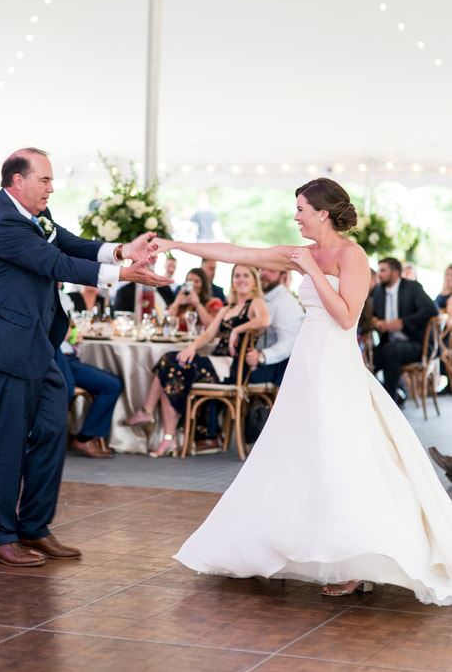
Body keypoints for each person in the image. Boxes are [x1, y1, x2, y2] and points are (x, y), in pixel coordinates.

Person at [153, 177, 452, 604]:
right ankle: (279, 544)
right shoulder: (302, 254)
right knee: (296, 454)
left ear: (322, 213)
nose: (295, 217)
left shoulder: (353, 256)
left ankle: (354, 561)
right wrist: (178, 246)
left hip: (337, 364)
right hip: (306, 365)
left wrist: (313, 271)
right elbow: (240, 253)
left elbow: (348, 317)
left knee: (340, 456)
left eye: (300, 209)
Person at [0, 146, 169, 568]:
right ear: (17, 181)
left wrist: (122, 250)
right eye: (44, 180)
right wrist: (124, 275)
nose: (51, 188)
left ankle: (34, 528)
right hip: (6, 348)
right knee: (8, 442)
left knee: (55, 428)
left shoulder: (33, 217)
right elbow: (54, 262)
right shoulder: (1, 222)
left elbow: (71, 244)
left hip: (38, 345)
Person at [125, 265, 270, 456]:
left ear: (253, 282)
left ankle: (149, 413)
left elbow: (265, 321)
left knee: (170, 363)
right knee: (172, 367)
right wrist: (192, 347)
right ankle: (167, 438)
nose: (241, 279)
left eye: (245, 276)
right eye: (237, 276)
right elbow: (209, 334)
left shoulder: (255, 303)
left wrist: (237, 330)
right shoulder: (227, 308)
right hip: (217, 362)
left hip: (231, 368)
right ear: (232, 282)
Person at [372, 257, 436, 405]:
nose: (379, 274)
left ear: (395, 272)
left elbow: (430, 309)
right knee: (366, 358)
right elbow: (372, 314)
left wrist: (403, 323)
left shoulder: (412, 287)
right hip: (389, 343)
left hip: (416, 344)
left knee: (391, 351)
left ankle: (390, 404)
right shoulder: (379, 292)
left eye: (383, 270)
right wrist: (375, 321)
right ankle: (373, 404)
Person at [55, 325, 122, 459]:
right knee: (65, 389)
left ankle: (86, 437)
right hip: (56, 359)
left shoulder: (65, 304)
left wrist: (72, 336)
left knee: (112, 385)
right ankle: (75, 439)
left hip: (71, 358)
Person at [244, 267, 304, 387]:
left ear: (283, 275)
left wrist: (262, 356)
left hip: (274, 368)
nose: (263, 273)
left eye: (271, 270)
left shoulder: (285, 302)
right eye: (261, 269)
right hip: (253, 362)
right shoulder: (260, 298)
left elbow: (289, 342)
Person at [166, 268, 218, 332]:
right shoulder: (181, 304)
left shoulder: (213, 303)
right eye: (189, 281)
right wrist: (176, 303)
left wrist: (197, 304)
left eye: (197, 281)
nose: (193, 284)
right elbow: (167, 323)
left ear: (203, 285)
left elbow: (212, 327)